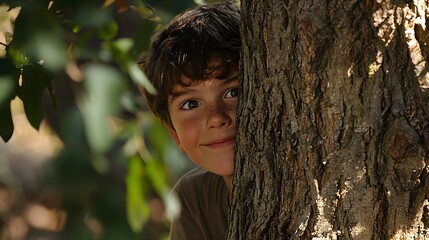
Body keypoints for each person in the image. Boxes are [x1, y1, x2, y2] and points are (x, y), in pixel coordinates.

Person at [138, 1, 240, 239]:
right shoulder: (193, 199)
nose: (216, 118)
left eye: (233, 92)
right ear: (174, 134)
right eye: (191, 104)